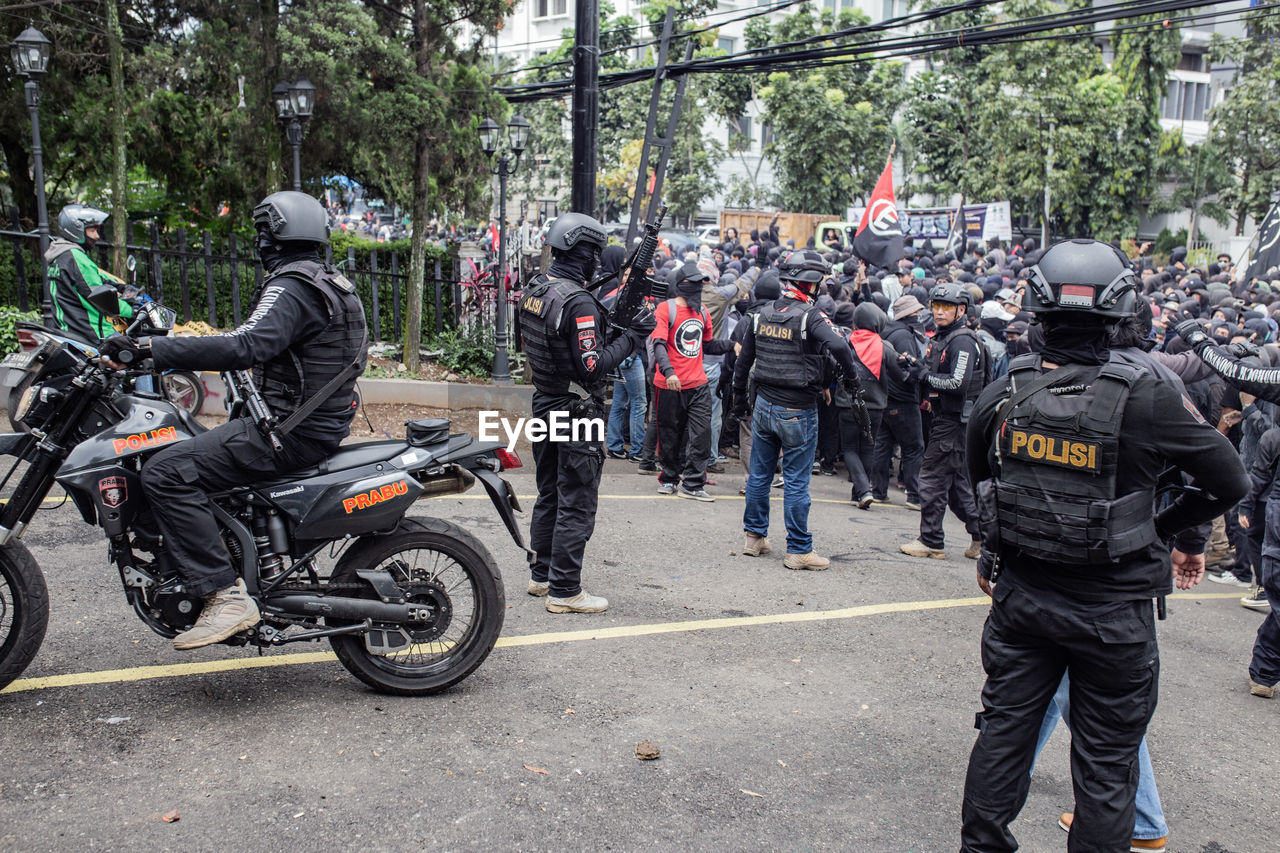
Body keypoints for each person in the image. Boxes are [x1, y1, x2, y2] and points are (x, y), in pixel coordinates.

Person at [959, 239, 1249, 852]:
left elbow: (977, 474)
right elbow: (1230, 480)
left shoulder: (1007, 388)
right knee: (1105, 771)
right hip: (1112, 618)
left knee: (1001, 740)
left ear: (1036, 313)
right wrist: (1159, 529)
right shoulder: (1148, 392)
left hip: (1025, 605)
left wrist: (995, 544)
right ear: (1120, 314)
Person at [101, 191, 368, 650]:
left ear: (274, 235)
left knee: (166, 471)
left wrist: (152, 351)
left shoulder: (293, 286)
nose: (259, 241)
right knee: (185, 451)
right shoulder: (324, 280)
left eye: (262, 231)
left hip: (288, 432)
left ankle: (224, 595)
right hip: (301, 424)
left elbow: (245, 345)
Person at [517, 213, 654, 614]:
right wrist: (632, 337)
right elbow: (591, 365)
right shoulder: (576, 300)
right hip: (575, 408)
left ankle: (541, 575)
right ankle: (565, 591)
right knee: (576, 498)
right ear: (586, 251)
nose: (597, 260)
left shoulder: (537, 289)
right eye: (595, 251)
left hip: (545, 400)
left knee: (549, 491)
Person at [731, 249, 865, 569]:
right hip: (798, 411)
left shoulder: (760, 314)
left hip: (762, 406)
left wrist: (739, 401)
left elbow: (743, 364)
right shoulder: (809, 316)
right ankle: (799, 550)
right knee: (795, 481)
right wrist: (852, 379)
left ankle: (754, 538)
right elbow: (838, 346)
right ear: (811, 283)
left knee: (760, 475)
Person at [900, 283, 985, 560]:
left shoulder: (962, 341)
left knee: (932, 480)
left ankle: (932, 541)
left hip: (953, 422)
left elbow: (958, 383)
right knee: (957, 486)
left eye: (946, 307)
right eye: (936, 306)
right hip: (946, 421)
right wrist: (917, 368)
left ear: (961, 309)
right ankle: (982, 537)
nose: (939, 311)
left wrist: (923, 376)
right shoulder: (944, 338)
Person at [651, 263, 736, 501]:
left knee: (701, 433)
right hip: (669, 384)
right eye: (694, 283)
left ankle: (693, 483)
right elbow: (658, 344)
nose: (699, 288)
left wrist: (732, 345)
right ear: (680, 285)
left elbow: (707, 345)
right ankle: (669, 478)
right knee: (670, 435)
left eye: (702, 283)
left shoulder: (703, 313)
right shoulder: (665, 309)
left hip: (698, 383)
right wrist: (669, 372)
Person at [46, 204, 134, 343]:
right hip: (91, 333)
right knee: (135, 355)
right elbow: (101, 298)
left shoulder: (59, 255)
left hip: (69, 328)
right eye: (92, 231)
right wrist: (132, 310)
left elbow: (97, 279)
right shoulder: (76, 258)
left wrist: (121, 287)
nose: (96, 236)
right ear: (76, 230)